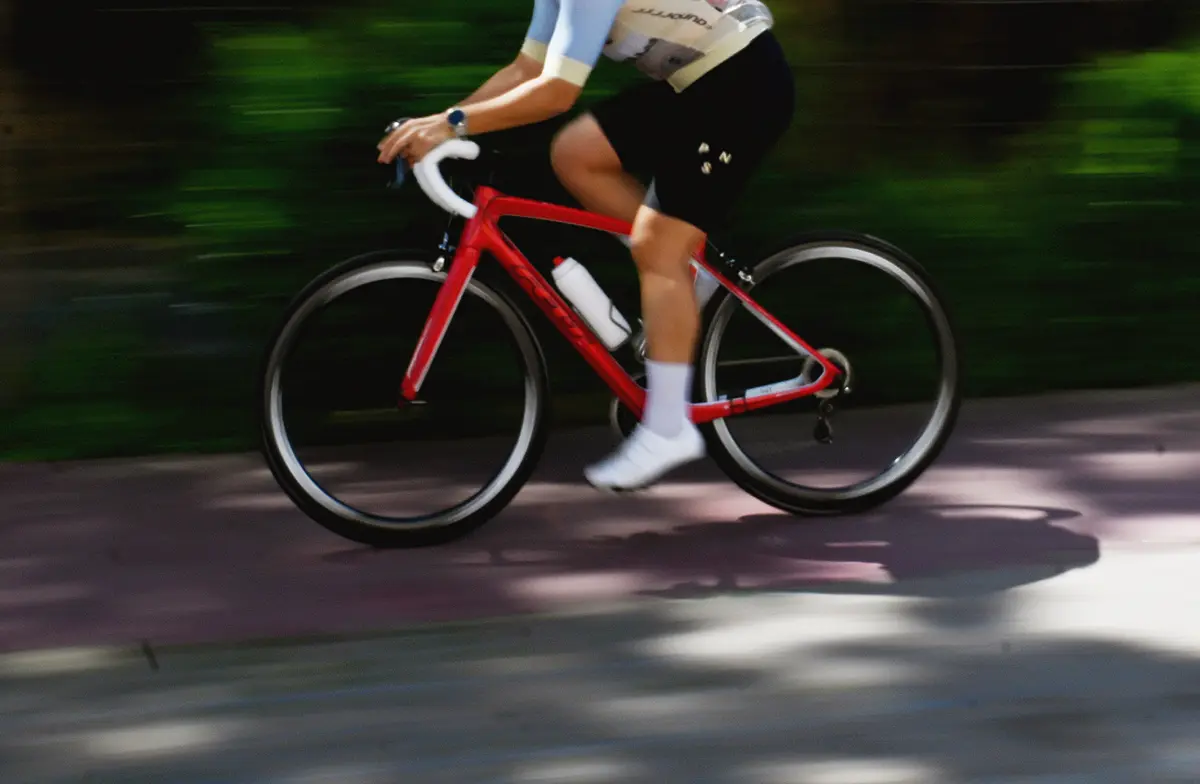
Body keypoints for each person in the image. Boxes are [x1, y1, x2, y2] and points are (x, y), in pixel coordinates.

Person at [377, 0, 795, 492]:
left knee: (656, 249)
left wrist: (452, 125)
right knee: (577, 154)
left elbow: (555, 92)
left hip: (743, 85)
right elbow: (527, 69)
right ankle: (683, 278)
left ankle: (668, 427)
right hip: (698, 84)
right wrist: (444, 125)